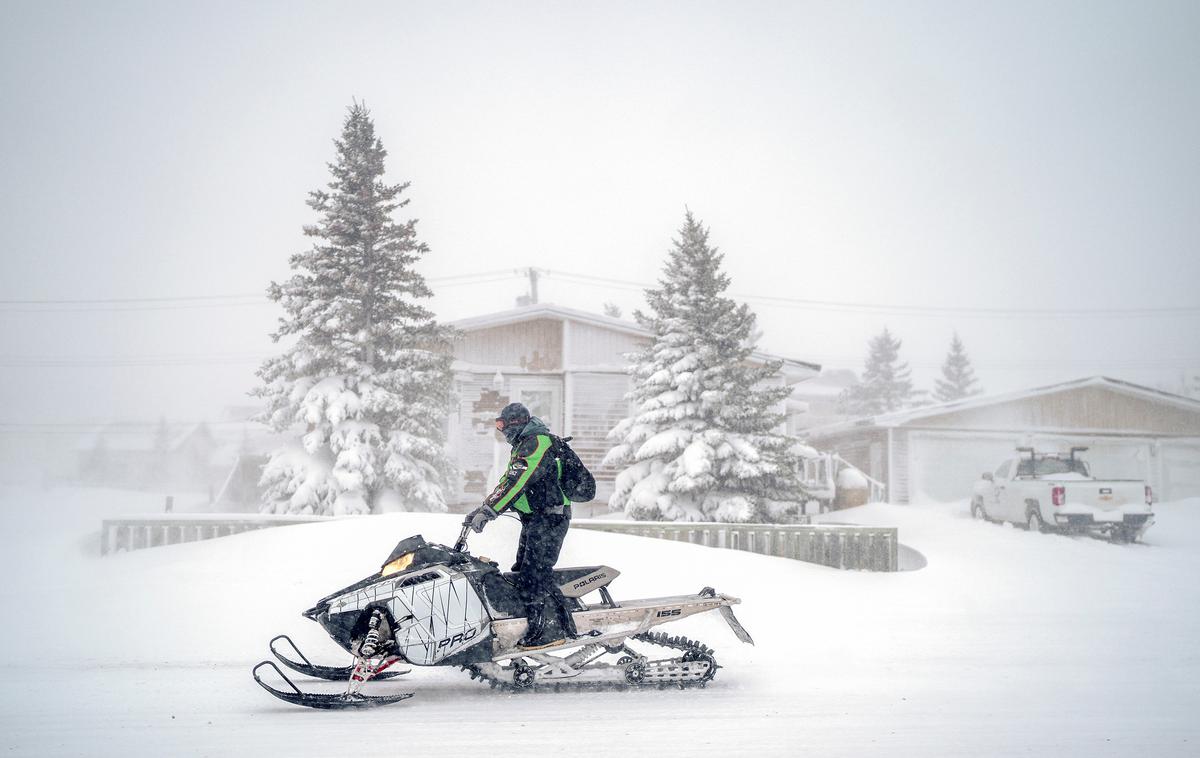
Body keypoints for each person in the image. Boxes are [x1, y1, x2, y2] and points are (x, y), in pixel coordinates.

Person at [464, 402, 577, 649]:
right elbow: (507, 481)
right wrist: (485, 507)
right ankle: (525, 623)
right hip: (537, 518)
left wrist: (490, 511)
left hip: (550, 517)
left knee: (534, 573)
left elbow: (517, 481)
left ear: (516, 423)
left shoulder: (537, 442)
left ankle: (546, 630)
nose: (502, 432)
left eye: (503, 426)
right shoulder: (524, 445)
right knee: (520, 572)